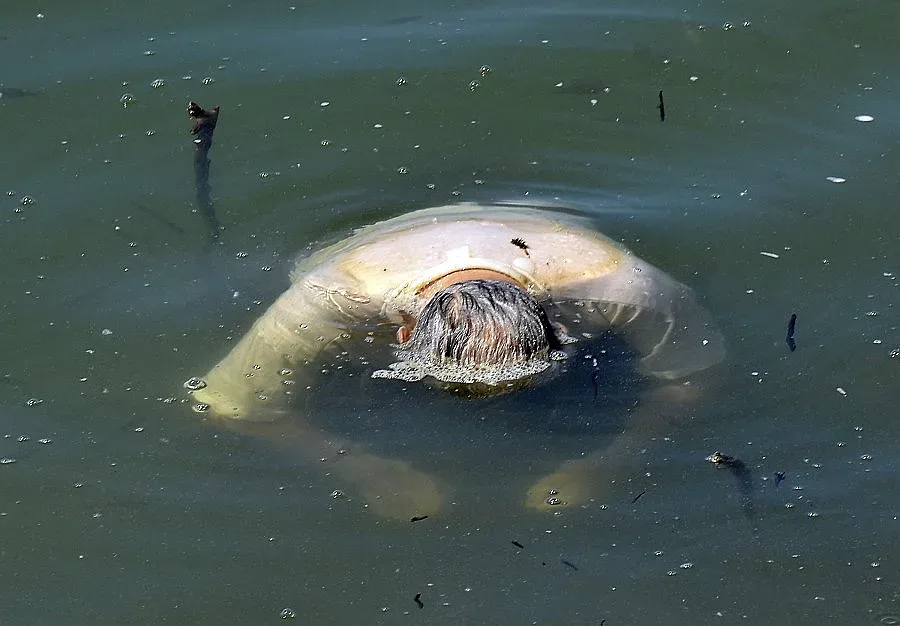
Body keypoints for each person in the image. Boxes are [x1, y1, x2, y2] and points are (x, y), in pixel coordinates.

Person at [187, 203, 725, 519]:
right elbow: (228, 402)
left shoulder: (622, 288)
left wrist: (607, 465)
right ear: (402, 333)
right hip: (384, 253)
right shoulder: (335, 295)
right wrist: (363, 468)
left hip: (540, 227)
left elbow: (695, 377)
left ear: (562, 326)